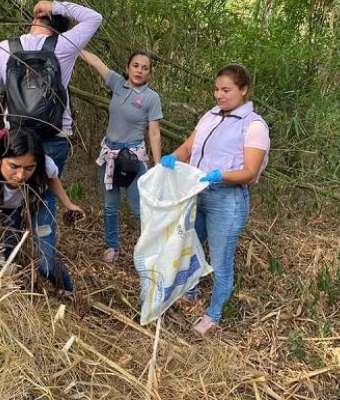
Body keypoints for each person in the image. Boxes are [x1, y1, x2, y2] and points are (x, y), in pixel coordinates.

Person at [0, 0, 102, 276]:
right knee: (44, 197)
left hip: (15, 140)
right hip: (53, 137)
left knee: (10, 197)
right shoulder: (64, 46)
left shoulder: (5, 47)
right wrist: (57, 5)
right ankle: (46, 265)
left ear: (36, 17)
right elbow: (94, 17)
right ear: (56, 22)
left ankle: (5, 265)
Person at [160, 64, 270, 336]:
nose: (219, 95)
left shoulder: (253, 125)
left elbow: (250, 171)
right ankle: (189, 294)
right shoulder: (210, 116)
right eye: (216, 89)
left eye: (226, 90)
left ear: (243, 90)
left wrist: (221, 175)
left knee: (220, 260)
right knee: (190, 245)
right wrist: (173, 158)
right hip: (199, 194)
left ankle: (213, 315)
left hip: (227, 200)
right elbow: (188, 147)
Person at [0, 128, 85, 292]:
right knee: (0, 253)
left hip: (34, 202)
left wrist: (68, 203)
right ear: (0, 159)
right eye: (14, 166)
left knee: (46, 266)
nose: (21, 175)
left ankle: (69, 292)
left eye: (29, 168)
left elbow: (51, 178)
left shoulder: (44, 165)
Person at [80, 49, 163, 262]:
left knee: (139, 207)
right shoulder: (117, 83)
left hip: (133, 157)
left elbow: (154, 132)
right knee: (110, 205)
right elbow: (97, 62)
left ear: (150, 74)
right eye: (135, 65)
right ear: (128, 68)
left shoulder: (151, 98)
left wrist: (158, 163)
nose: (139, 71)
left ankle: (154, 249)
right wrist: (73, 43)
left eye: (145, 68)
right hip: (109, 154)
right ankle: (112, 246)